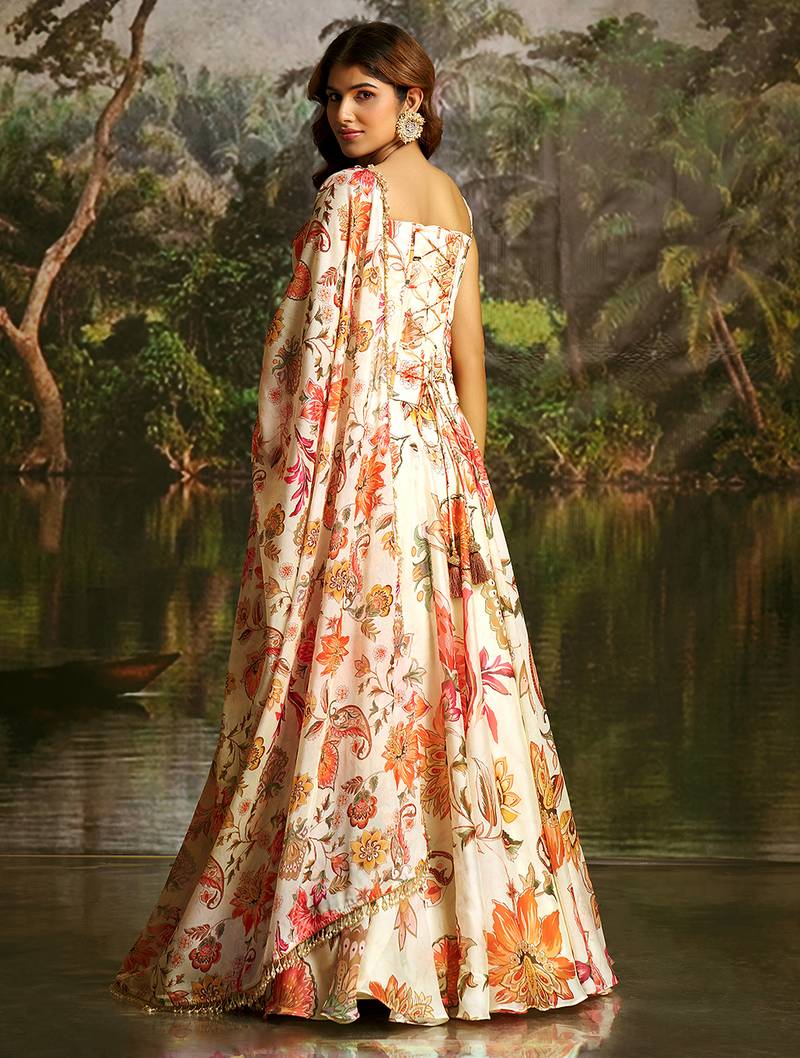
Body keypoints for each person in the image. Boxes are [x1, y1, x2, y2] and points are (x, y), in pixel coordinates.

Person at [109, 21, 620, 1026]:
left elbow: (303, 366)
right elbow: (468, 368)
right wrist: (465, 486)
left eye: (364, 96)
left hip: (359, 472)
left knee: (347, 689)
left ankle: (340, 952)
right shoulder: (452, 201)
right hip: (439, 473)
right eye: (333, 98)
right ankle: (471, 954)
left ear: (411, 102)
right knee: (447, 694)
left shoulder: (350, 199)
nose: (343, 115)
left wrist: (300, 494)